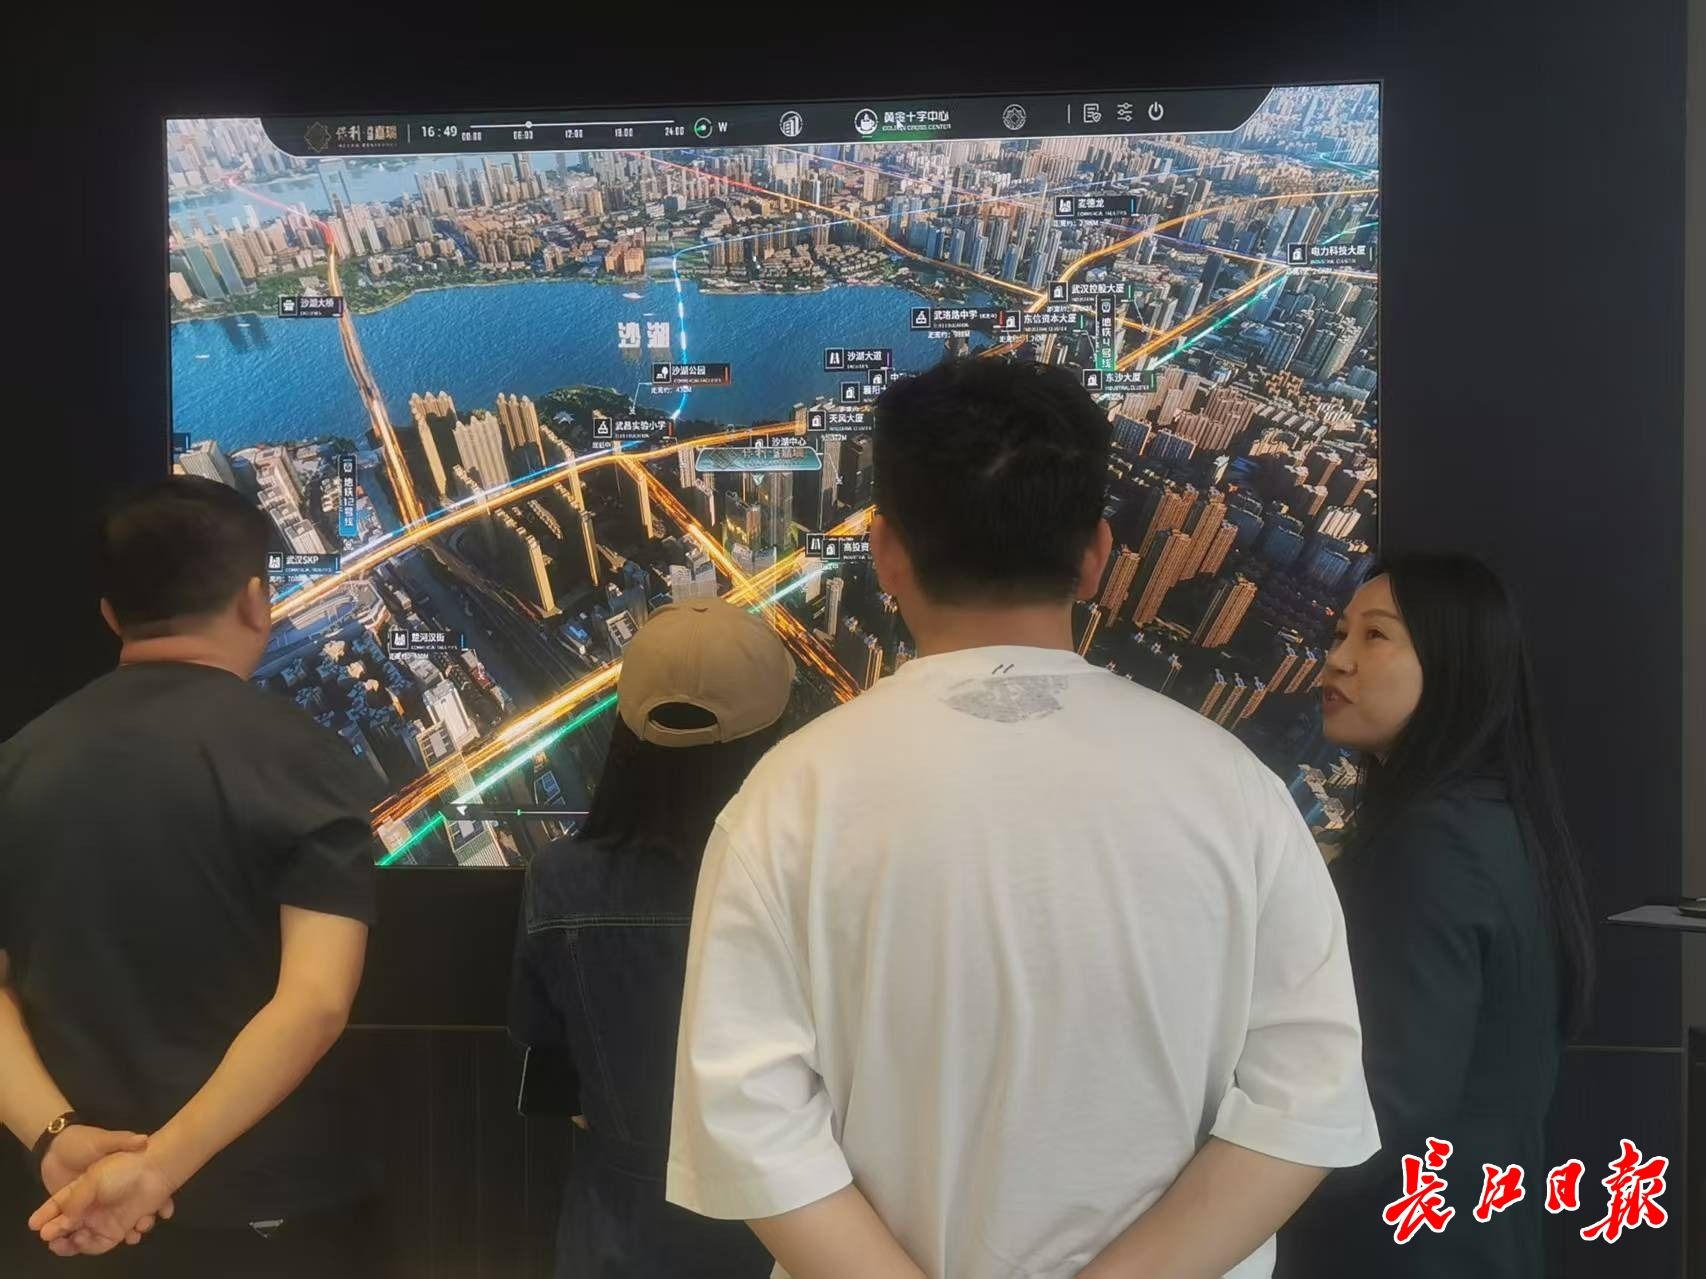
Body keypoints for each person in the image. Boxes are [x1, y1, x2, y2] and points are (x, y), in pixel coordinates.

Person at [665, 358, 1382, 1279]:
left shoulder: (785, 799)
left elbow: (750, 1123)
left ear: (885, 552)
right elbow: (1305, 1103)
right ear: (1096, 554)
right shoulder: (1240, 792)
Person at [0, 476, 381, 1274]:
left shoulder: (19, 762)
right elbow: (313, 1001)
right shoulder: (304, 760)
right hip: (264, 1214)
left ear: (111, 614)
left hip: (64, 1216)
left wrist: (55, 1137)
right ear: (256, 602)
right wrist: (157, 1169)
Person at [1277, 555, 1594, 1278]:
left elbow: (1391, 1102)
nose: (1337, 660)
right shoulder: (1492, 820)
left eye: (1375, 636)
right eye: (1339, 634)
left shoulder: (1432, 842)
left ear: (1453, 666)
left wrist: (1227, 1201)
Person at [511, 598, 793, 1278]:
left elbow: (547, 1058)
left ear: (625, 738)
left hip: (623, 1235)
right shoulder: (814, 883)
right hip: (788, 1228)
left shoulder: (560, 881)